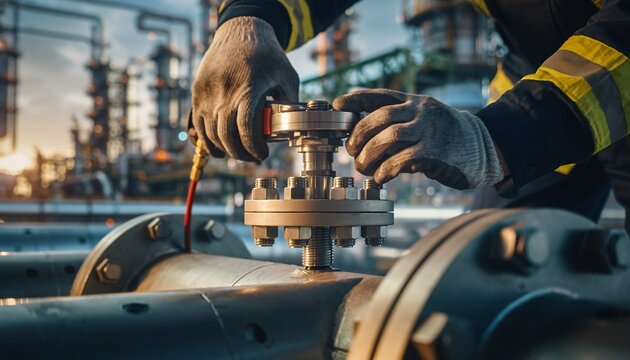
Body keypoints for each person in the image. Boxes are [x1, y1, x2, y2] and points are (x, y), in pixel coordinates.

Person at [191, 0, 630, 233]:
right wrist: (250, 17)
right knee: (490, 269)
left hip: (566, 105)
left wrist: (501, 138)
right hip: (532, 92)